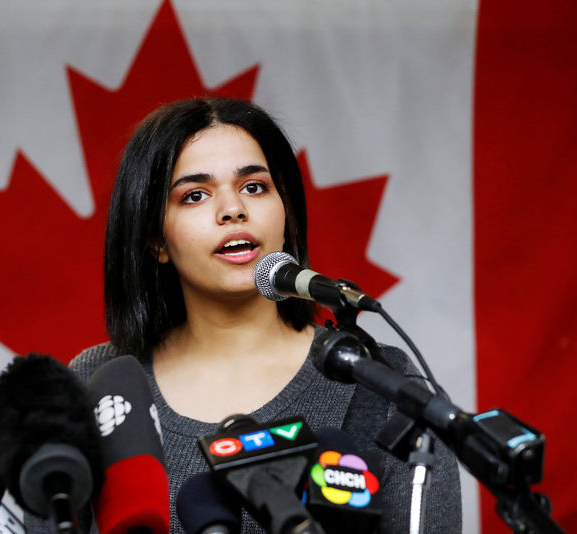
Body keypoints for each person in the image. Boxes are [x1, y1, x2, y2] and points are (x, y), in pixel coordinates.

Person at [46, 97, 462, 533]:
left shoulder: (378, 380)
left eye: (254, 187)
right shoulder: (95, 384)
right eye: (194, 195)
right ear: (156, 241)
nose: (233, 210)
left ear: (286, 212)